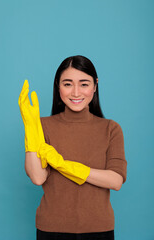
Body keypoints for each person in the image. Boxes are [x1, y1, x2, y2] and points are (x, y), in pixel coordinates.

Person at [18, 55, 127, 240]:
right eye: (67, 84)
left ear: (95, 85)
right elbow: (37, 177)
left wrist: (66, 166)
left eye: (84, 84)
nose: (76, 92)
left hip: (98, 229)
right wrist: (31, 128)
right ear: (58, 86)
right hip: (51, 228)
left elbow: (115, 180)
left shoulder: (110, 128)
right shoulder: (42, 126)